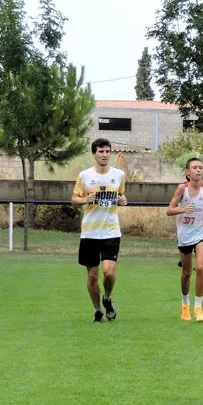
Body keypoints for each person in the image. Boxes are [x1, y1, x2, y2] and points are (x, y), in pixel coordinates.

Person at [71, 138, 128, 322]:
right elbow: (74, 199)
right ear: (94, 154)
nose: (104, 155)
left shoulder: (118, 175)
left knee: (109, 273)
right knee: (93, 277)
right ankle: (97, 310)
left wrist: (123, 200)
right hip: (89, 233)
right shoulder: (85, 176)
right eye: (101, 151)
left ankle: (107, 298)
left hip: (111, 231)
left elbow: (121, 195)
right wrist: (85, 199)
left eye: (107, 151)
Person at [166, 157, 203, 321]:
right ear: (188, 172)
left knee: (200, 268)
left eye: (200, 167)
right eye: (194, 167)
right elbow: (169, 210)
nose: (198, 170)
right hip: (185, 235)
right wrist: (183, 209)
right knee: (186, 273)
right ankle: (185, 305)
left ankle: (198, 307)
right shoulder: (181, 189)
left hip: (201, 234)